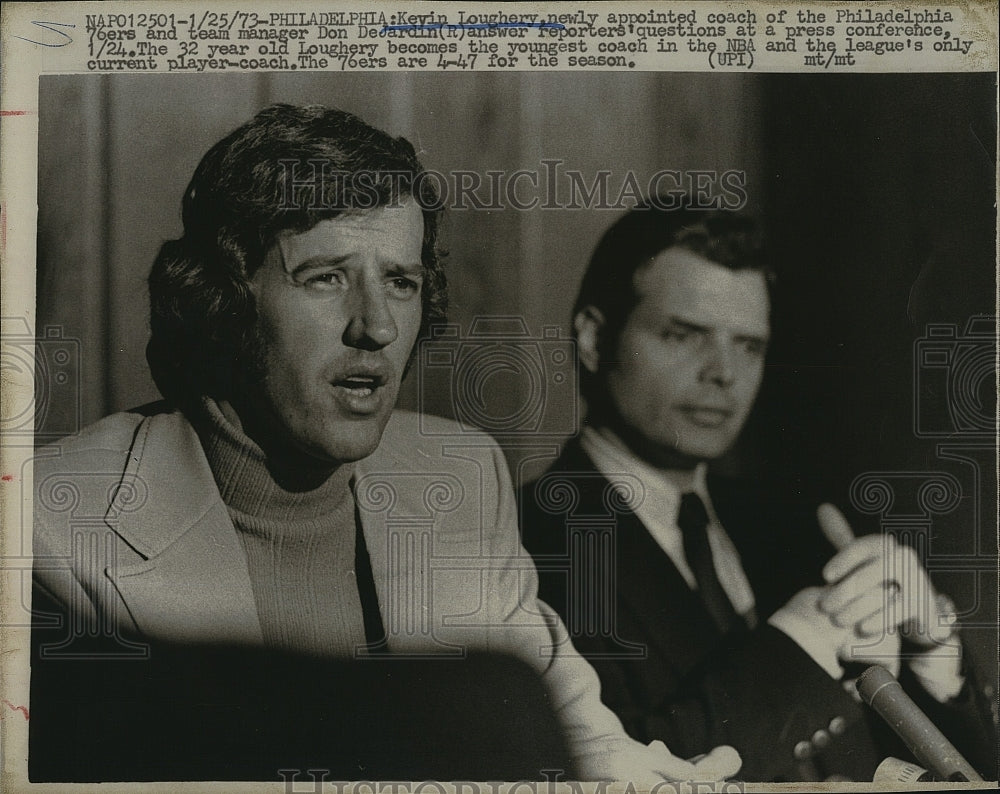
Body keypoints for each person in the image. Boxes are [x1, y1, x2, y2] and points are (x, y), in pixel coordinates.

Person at [29, 105, 740, 784]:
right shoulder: (57, 523)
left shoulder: (459, 476)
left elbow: (572, 730)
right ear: (222, 299)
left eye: (400, 282)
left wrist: (639, 778)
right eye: (327, 277)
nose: (375, 326)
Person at [518, 199, 995, 782]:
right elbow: (590, 778)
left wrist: (936, 660)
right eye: (683, 335)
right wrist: (799, 643)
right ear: (594, 339)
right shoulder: (522, 545)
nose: (723, 372)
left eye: (749, 346)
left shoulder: (794, 527)